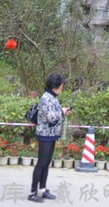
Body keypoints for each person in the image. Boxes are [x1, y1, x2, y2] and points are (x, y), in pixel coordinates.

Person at [28, 72, 71, 203]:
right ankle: (32, 192)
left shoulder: (53, 97)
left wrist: (62, 110)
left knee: (46, 163)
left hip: (51, 134)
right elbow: (51, 116)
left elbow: (55, 113)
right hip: (44, 135)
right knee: (41, 163)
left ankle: (42, 189)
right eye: (61, 86)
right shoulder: (46, 98)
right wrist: (62, 111)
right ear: (55, 86)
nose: (62, 89)